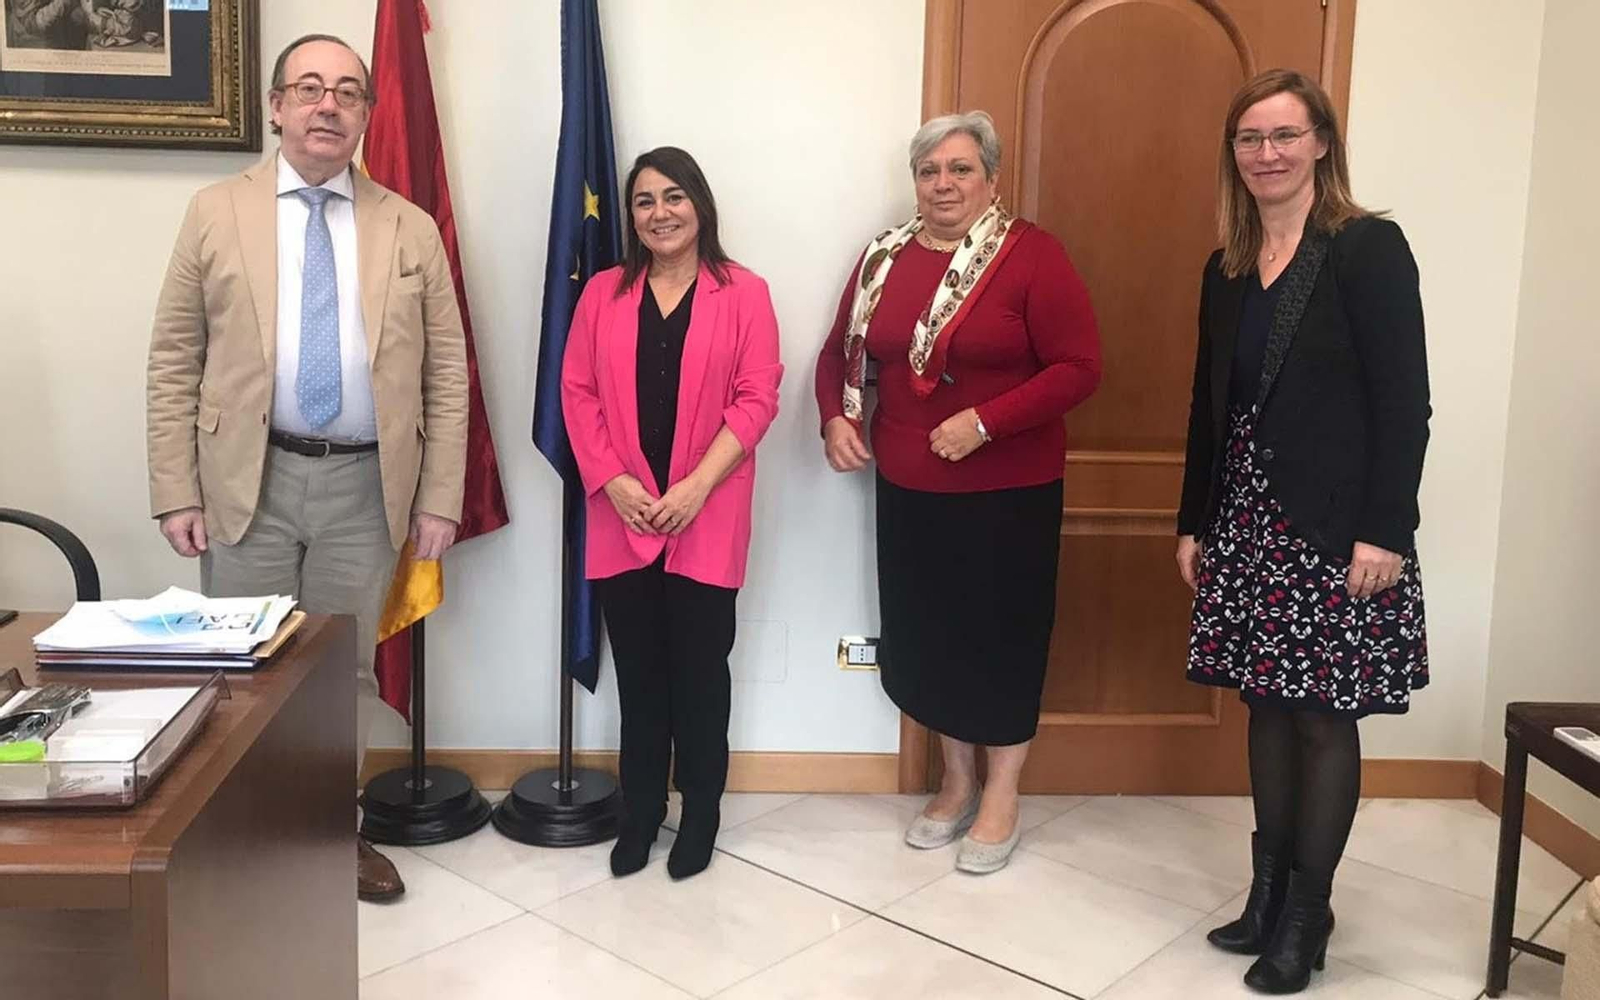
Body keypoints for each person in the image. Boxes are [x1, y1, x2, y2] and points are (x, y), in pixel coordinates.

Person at [146, 33, 468, 903]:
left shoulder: (410, 226)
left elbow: (447, 372)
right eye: (311, 89)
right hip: (247, 483)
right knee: (239, 671)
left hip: (366, 488)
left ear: (364, 116)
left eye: (349, 93)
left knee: (342, 675)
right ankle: (243, 843)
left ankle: (337, 834)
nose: (330, 104)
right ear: (279, 107)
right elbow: (175, 355)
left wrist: (442, 496)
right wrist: (175, 486)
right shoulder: (216, 210)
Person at [1177, 69, 1430, 994]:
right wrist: (1193, 520)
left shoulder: (1366, 249)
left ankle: (1308, 914)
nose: (1267, 154)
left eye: (1285, 135)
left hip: (1337, 531)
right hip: (1244, 526)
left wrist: (1384, 531)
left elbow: (1407, 404)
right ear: (1234, 155)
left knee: (1322, 718)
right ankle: (1267, 893)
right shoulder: (1228, 265)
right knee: (1265, 707)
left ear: (1322, 141)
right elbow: (1209, 405)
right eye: (1250, 139)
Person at [814, 111, 1101, 874]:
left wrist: (987, 420)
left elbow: (1079, 367)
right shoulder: (884, 257)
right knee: (930, 633)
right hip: (909, 486)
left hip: (1008, 490)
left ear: (992, 179)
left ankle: (1002, 792)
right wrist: (834, 419)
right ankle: (955, 779)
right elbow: (840, 351)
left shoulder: (1031, 256)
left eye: (960, 169)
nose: (943, 183)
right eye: (930, 170)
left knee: (999, 638)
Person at [561, 146, 782, 881]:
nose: (661, 212)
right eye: (645, 200)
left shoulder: (744, 292)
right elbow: (578, 393)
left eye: (674, 196)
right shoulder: (602, 294)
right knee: (642, 677)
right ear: (631, 217)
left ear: (701, 204)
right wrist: (615, 481)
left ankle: (703, 814)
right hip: (621, 515)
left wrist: (693, 489)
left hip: (706, 516)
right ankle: (642, 813)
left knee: (699, 674)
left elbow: (757, 399)